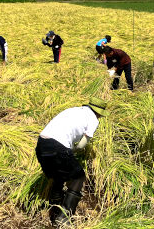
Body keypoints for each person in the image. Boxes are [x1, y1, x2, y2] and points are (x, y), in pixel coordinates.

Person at [36, 97, 109, 226]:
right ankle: (64, 217)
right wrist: (72, 151)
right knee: (78, 176)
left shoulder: (73, 110)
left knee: (59, 176)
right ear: (98, 112)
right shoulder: (93, 119)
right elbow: (81, 145)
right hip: (57, 146)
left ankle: (54, 210)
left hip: (41, 145)